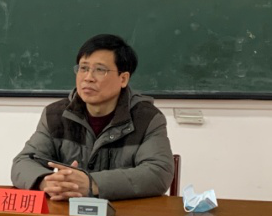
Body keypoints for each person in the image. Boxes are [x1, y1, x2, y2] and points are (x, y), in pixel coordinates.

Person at [11, 34, 173, 201]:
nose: (88, 78)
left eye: (100, 70)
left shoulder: (147, 118)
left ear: (123, 78)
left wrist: (93, 184)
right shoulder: (56, 115)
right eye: (83, 68)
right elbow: (23, 162)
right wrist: (47, 182)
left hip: (123, 212)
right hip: (68, 213)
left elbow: (158, 172)